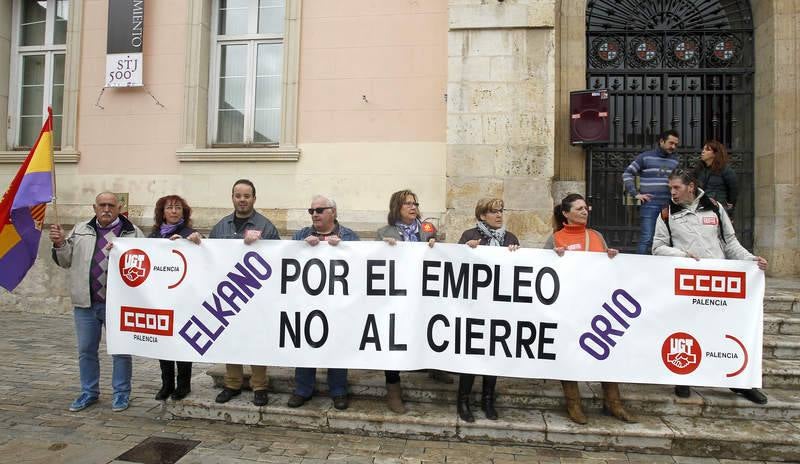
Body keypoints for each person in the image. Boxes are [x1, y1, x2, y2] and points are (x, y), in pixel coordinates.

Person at [653, 169, 768, 404]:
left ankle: (739, 383)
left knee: (726, 331)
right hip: (687, 283)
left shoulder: (715, 207)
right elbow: (657, 248)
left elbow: (730, 243)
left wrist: (751, 260)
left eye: (676, 187)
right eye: (670, 188)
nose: (672, 192)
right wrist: (682, 255)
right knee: (687, 330)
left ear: (690, 186)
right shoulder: (666, 214)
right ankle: (683, 377)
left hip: (718, 283)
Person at [49, 192, 145, 412]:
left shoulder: (132, 232)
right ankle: (89, 392)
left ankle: (121, 394)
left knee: (121, 351)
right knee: (86, 350)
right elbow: (65, 261)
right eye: (102, 205)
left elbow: (144, 264)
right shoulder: (81, 229)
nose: (106, 209)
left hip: (118, 305)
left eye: (111, 205)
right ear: (94, 208)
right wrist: (60, 243)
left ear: (119, 208)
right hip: (86, 303)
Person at [544, 193, 636, 424]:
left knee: (606, 350)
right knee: (568, 353)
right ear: (566, 213)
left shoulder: (596, 236)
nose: (585, 211)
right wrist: (552, 258)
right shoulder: (555, 239)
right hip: (568, 307)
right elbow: (543, 271)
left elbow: (607, 268)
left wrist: (611, 257)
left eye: (586, 208)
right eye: (579, 209)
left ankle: (613, 402)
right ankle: (573, 403)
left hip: (598, 305)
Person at [210, 179, 280, 407]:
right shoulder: (221, 226)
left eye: (246, 196)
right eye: (238, 195)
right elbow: (209, 257)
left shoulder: (266, 226)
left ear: (254, 198)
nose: (242, 200)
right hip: (228, 294)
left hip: (255, 295)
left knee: (256, 339)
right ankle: (232, 383)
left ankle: (259, 385)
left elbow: (276, 257)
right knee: (230, 338)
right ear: (232, 198)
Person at [287, 194, 358, 411]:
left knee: (337, 343)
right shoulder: (301, 235)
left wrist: (344, 249)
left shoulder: (349, 236)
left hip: (337, 302)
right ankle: (303, 389)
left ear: (333, 212)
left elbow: (360, 264)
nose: (314, 214)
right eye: (312, 211)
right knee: (305, 341)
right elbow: (286, 259)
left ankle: (338, 390)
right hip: (307, 301)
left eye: (319, 210)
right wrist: (301, 247)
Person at [376, 189, 441, 413]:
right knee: (393, 338)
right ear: (397, 207)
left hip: (424, 294)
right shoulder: (383, 232)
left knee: (430, 329)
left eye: (415, 203)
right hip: (397, 296)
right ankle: (393, 388)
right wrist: (383, 249)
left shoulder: (428, 229)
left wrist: (436, 245)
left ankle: (435, 367)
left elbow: (443, 255)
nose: (413, 207)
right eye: (407, 204)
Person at [456, 198, 520, 422]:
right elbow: (454, 265)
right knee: (471, 353)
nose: (499, 215)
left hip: (498, 307)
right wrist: (466, 250)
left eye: (501, 211)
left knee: (492, 353)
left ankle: (488, 400)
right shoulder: (469, 235)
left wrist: (516, 253)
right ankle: (463, 401)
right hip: (474, 306)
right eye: (493, 212)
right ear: (482, 215)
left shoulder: (510, 238)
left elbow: (519, 269)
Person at [149, 195, 201, 401]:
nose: (173, 211)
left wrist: (194, 243)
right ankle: (167, 383)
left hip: (183, 299)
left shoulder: (189, 234)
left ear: (183, 212)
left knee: (183, 342)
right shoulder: (153, 236)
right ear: (162, 213)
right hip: (161, 298)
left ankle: (184, 384)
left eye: (178, 208)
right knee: (163, 342)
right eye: (169, 208)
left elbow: (203, 258)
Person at [622, 129, 680, 254]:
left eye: (675, 144)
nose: (673, 147)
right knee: (647, 238)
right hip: (650, 204)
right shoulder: (645, 157)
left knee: (668, 240)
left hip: (669, 205)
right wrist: (635, 194)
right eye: (671, 143)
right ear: (661, 141)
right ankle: (639, 264)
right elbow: (627, 174)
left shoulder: (675, 161)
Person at [694, 140, 738, 218]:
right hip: (701, 209)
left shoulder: (725, 170)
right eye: (703, 149)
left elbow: (733, 190)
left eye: (707, 149)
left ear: (715, 154)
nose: (703, 151)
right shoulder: (700, 170)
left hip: (718, 209)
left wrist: (729, 209)